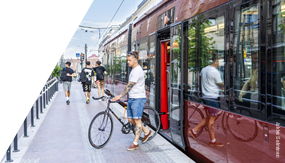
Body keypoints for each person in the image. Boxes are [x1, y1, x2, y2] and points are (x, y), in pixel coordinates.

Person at [112, 51, 152, 151]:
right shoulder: (133, 70)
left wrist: (120, 96)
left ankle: (135, 143)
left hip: (138, 98)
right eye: (127, 60)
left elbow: (129, 85)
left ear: (135, 60)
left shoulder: (138, 71)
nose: (128, 62)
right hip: (132, 98)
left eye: (129, 60)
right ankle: (146, 131)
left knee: (137, 121)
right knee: (130, 120)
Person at [189, 53, 224, 147]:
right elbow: (221, 85)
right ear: (216, 61)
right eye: (221, 61)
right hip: (212, 97)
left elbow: (200, 80)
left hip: (205, 96)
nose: (222, 63)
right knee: (212, 117)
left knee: (211, 116)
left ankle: (194, 131)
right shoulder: (215, 72)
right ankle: (212, 140)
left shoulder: (204, 69)